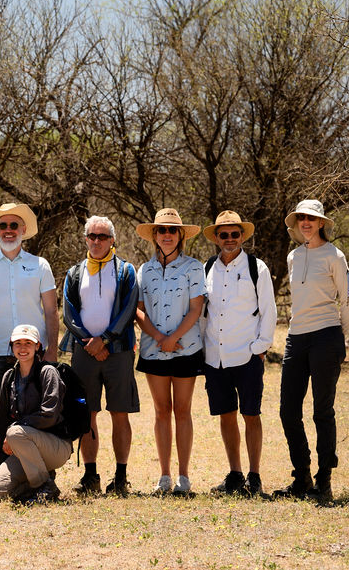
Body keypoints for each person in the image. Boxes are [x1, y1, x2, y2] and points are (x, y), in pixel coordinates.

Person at [274, 200, 349, 503]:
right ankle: (301, 476)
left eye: (311, 218)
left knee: (322, 411)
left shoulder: (335, 256)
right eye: (301, 219)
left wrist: (336, 336)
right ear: (296, 224)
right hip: (296, 338)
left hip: (326, 337)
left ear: (321, 222)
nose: (305, 223)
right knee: (288, 411)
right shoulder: (293, 256)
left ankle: (324, 480)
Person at [60, 215, 140, 495]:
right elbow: (68, 312)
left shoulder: (126, 271)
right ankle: (91, 476)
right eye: (92, 236)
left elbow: (128, 309)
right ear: (85, 239)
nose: (96, 241)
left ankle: (120, 477)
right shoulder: (74, 272)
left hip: (117, 352)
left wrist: (104, 340)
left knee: (120, 412)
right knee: (87, 412)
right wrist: (89, 342)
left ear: (112, 240)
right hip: (84, 353)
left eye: (102, 236)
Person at [201, 211, 277, 496]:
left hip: (247, 355)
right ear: (217, 239)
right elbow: (203, 314)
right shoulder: (208, 268)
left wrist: (259, 348)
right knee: (226, 415)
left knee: (251, 414)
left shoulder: (257, 268)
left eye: (235, 234)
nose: (230, 239)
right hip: (215, 357)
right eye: (224, 235)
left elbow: (269, 310)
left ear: (242, 236)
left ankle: (254, 477)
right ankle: (234, 474)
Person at [135, 208, 207, 495]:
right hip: (154, 351)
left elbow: (196, 307)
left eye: (172, 230)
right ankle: (164, 476)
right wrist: (158, 337)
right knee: (161, 411)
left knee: (183, 411)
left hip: (186, 349)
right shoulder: (144, 269)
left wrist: (173, 337)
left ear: (180, 236)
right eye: (162, 230)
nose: (167, 235)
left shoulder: (194, 267)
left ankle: (184, 477)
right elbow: (139, 310)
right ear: (154, 235)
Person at [0, 202, 59, 423]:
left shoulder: (40, 265)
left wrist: (52, 350)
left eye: (14, 225)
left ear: (23, 230)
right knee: (0, 412)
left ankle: (32, 457)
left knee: (37, 411)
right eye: (4, 225)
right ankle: (1, 457)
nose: (9, 230)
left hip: (36, 352)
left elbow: (51, 311)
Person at [0, 325, 72, 502]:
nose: (23, 347)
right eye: (18, 343)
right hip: (22, 447)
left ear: (37, 346)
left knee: (15, 432)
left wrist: (16, 430)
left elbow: (49, 415)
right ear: (11, 346)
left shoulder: (48, 372)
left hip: (55, 446)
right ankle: (38, 480)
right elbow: (2, 420)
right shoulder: (9, 377)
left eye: (28, 343)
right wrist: (1, 459)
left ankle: (45, 487)